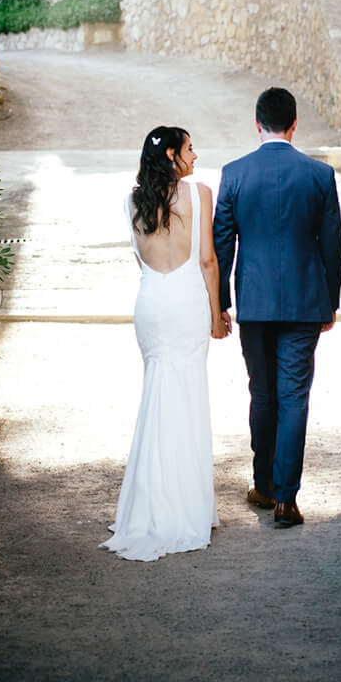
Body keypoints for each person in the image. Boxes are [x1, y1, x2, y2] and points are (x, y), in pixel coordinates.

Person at [213, 87, 341, 530]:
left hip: (254, 303)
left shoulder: (234, 174)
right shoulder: (319, 175)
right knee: (294, 398)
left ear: (257, 124)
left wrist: (222, 304)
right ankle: (287, 500)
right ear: (294, 125)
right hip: (306, 302)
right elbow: (333, 245)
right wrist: (331, 302)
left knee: (263, 393)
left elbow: (222, 243)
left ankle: (264, 486)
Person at [102, 125, 230, 562]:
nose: (196, 155)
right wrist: (216, 314)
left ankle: (151, 504)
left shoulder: (130, 201)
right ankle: (188, 507)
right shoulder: (200, 195)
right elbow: (208, 260)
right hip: (188, 300)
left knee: (157, 395)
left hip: (153, 301)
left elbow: (139, 258)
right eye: (191, 148)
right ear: (174, 154)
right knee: (188, 397)